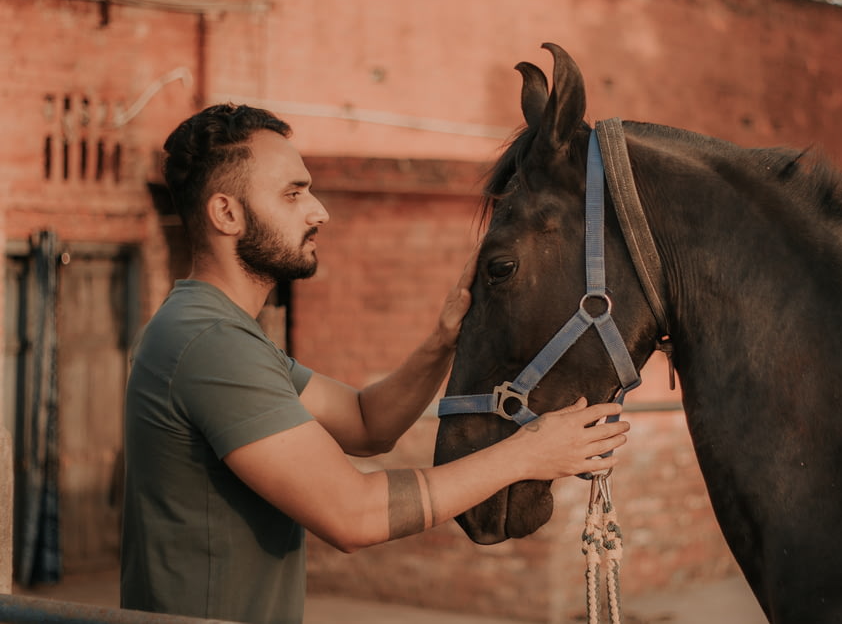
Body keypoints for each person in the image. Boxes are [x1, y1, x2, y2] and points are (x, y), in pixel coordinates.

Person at [120, 103, 629, 624]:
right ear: (226, 214)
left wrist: (442, 339)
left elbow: (367, 424)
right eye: (293, 194)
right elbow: (352, 515)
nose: (319, 211)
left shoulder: (221, 333)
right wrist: (528, 454)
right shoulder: (209, 343)